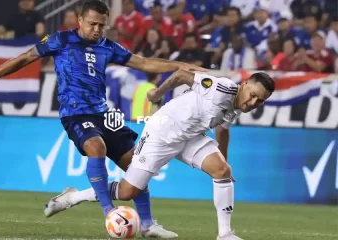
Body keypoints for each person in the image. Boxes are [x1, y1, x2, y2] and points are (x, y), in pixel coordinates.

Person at [0, 0, 205, 238]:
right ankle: (110, 213)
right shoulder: (60, 40)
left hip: (103, 113)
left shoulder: (108, 46)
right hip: (75, 112)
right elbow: (25, 58)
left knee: (138, 165)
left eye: (101, 25)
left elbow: (145, 63)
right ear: (80, 20)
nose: (96, 29)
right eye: (92, 24)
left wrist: (181, 66)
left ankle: (147, 224)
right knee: (97, 147)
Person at [48, 70, 275, 240]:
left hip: (190, 138)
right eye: (253, 95)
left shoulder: (236, 105)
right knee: (127, 192)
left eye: (260, 101)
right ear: (244, 84)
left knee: (223, 171)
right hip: (161, 134)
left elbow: (222, 131)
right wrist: (158, 93)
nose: (254, 102)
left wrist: (223, 160)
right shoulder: (221, 88)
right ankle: (73, 196)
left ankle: (225, 234)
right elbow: (182, 75)